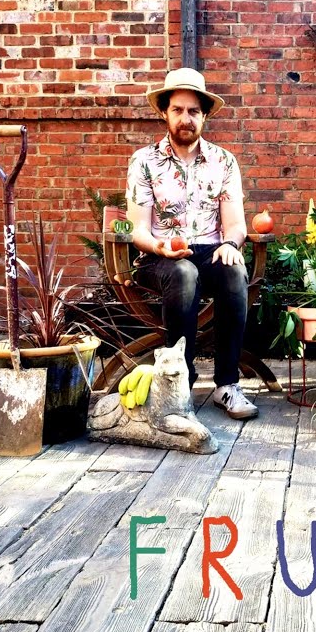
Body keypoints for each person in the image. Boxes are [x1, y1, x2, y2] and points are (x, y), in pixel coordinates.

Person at [125, 67, 258, 420]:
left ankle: (227, 385)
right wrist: (159, 247)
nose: (186, 118)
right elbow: (138, 229)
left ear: (205, 116)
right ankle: (180, 383)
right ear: (164, 113)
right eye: (178, 110)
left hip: (210, 250)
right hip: (159, 256)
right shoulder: (144, 161)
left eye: (194, 111)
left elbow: (236, 225)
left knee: (233, 271)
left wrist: (231, 244)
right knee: (183, 272)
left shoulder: (224, 161)